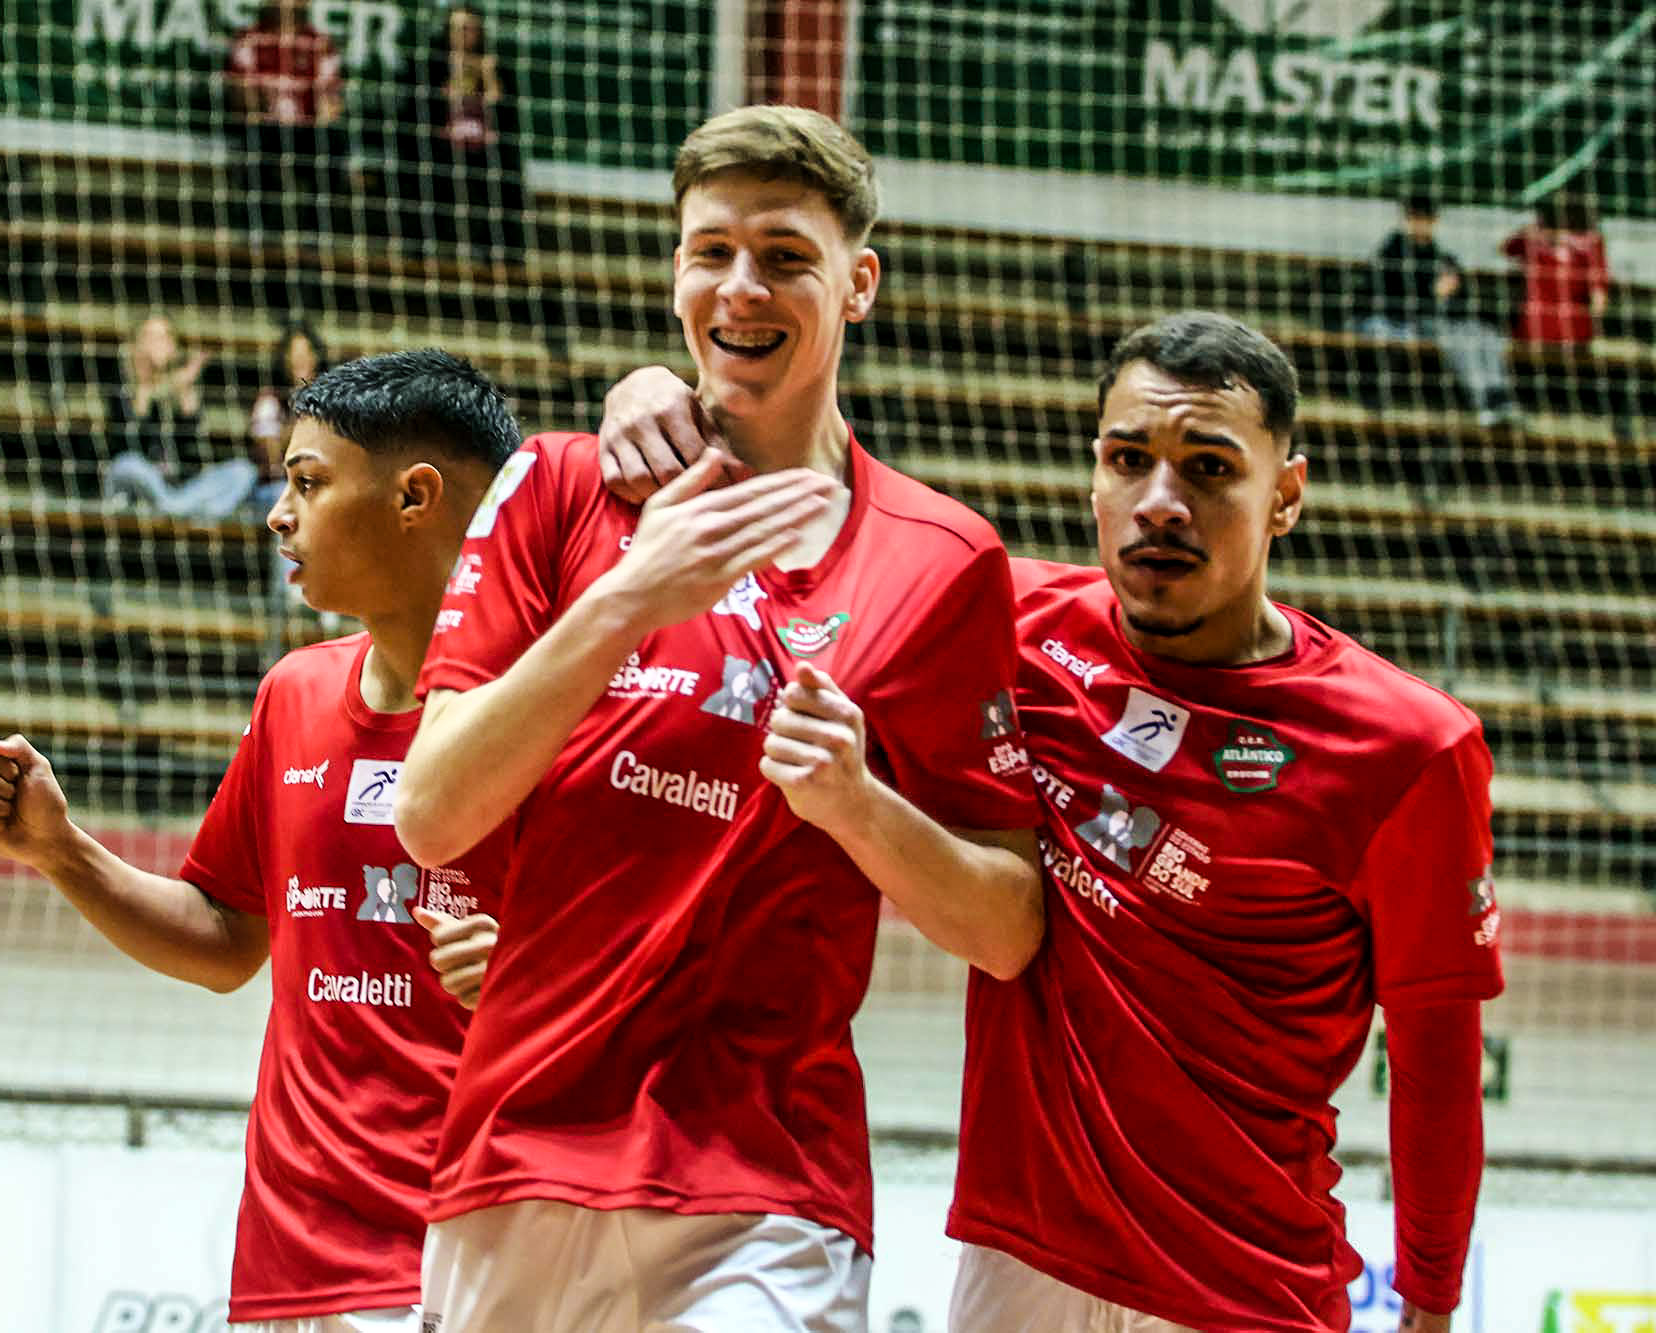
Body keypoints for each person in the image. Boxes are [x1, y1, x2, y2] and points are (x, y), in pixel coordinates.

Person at [597, 312, 1505, 1333]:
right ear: (1093, 474)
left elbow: (1435, 1067)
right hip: (1015, 1266)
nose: (1160, 502)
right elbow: (807, 560)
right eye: (1129, 459)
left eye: (1210, 469)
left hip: (1247, 1294)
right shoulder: (1004, 624)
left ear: (1284, 495)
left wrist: (1431, 1308)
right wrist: (660, 400)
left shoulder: (1408, 749)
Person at [392, 105, 1045, 1332]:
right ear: (674, 271)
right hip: (516, 1148)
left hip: (767, 1184)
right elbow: (429, 813)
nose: (741, 287)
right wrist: (627, 598)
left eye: (785, 257)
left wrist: (856, 806)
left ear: (857, 284)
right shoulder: (560, 485)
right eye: (711, 252)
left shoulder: (943, 558)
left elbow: (1007, 929)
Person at [0, 348, 520, 1332]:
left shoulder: (553, 712)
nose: (277, 513)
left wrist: (528, 970)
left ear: (414, 497)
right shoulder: (292, 695)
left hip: (486, 1255)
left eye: (308, 482)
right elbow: (224, 940)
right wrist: (61, 849)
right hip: (293, 1264)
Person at [1361, 194, 1520, 429]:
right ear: (1406, 219)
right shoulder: (1390, 252)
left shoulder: (1442, 256)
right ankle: (1485, 404)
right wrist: (1432, 293)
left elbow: (1463, 299)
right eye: (1415, 217)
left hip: (1441, 321)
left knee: (1484, 334)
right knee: (1459, 339)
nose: (1421, 223)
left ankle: (1499, 397)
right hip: (1403, 322)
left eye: (1426, 218)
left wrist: (1452, 291)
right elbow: (1388, 299)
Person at [1500, 193, 1631, 442]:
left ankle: (1543, 408)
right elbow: (1599, 298)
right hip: (1559, 330)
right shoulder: (1582, 241)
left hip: (1542, 327)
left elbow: (1504, 248)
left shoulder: (1569, 240)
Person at [101, 313, 259, 518]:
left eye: (165, 337)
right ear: (136, 344)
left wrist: (185, 392)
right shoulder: (121, 383)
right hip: (135, 482)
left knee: (244, 471)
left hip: (174, 489)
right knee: (131, 465)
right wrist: (145, 384)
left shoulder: (181, 385)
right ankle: (186, 511)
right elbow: (130, 443)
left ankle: (177, 508)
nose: (159, 343)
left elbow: (189, 447)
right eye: (151, 337)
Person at [403, 4, 527, 265]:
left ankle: (501, 254)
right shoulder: (431, 65)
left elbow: (505, 112)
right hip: (443, 142)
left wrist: (489, 77)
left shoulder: (495, 66)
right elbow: (419, 109)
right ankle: (420, 248)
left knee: (506, 177)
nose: (463, 34)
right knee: (430, 170)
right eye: (457, 28)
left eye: (469, 29)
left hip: (484, 145)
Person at [223, 0, 348, 236]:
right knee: (256, 142)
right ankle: (255, 225)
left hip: (305, 130)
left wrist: (325, 110)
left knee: (332, 145)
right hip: (265, 125)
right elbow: (240, 94)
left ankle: (315, 229)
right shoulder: (250, 38)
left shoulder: (319, 43)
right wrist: (257, 105)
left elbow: (331, 100)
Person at [249, 321, 328, 514]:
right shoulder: (270, 401)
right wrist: (299, 416)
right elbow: (272, 457)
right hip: (276, 487)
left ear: (315, 357)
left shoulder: (329, 398)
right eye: (293, 353)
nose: (299, 359)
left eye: (305, 352)